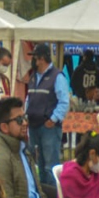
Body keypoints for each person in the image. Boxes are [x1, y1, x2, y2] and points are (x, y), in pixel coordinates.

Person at [25, 44, 70, 185]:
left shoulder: (57, 76)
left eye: (35, 57)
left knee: (50, 166)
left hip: (49, 128)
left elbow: (64, 101)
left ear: (42, 59)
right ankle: (42, 192)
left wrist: (53, 119)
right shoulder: (33, 77)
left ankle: (54, 194)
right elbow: (29, 99)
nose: (33, 60)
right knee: (37, 165)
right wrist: (26, 115)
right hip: (33, 126)